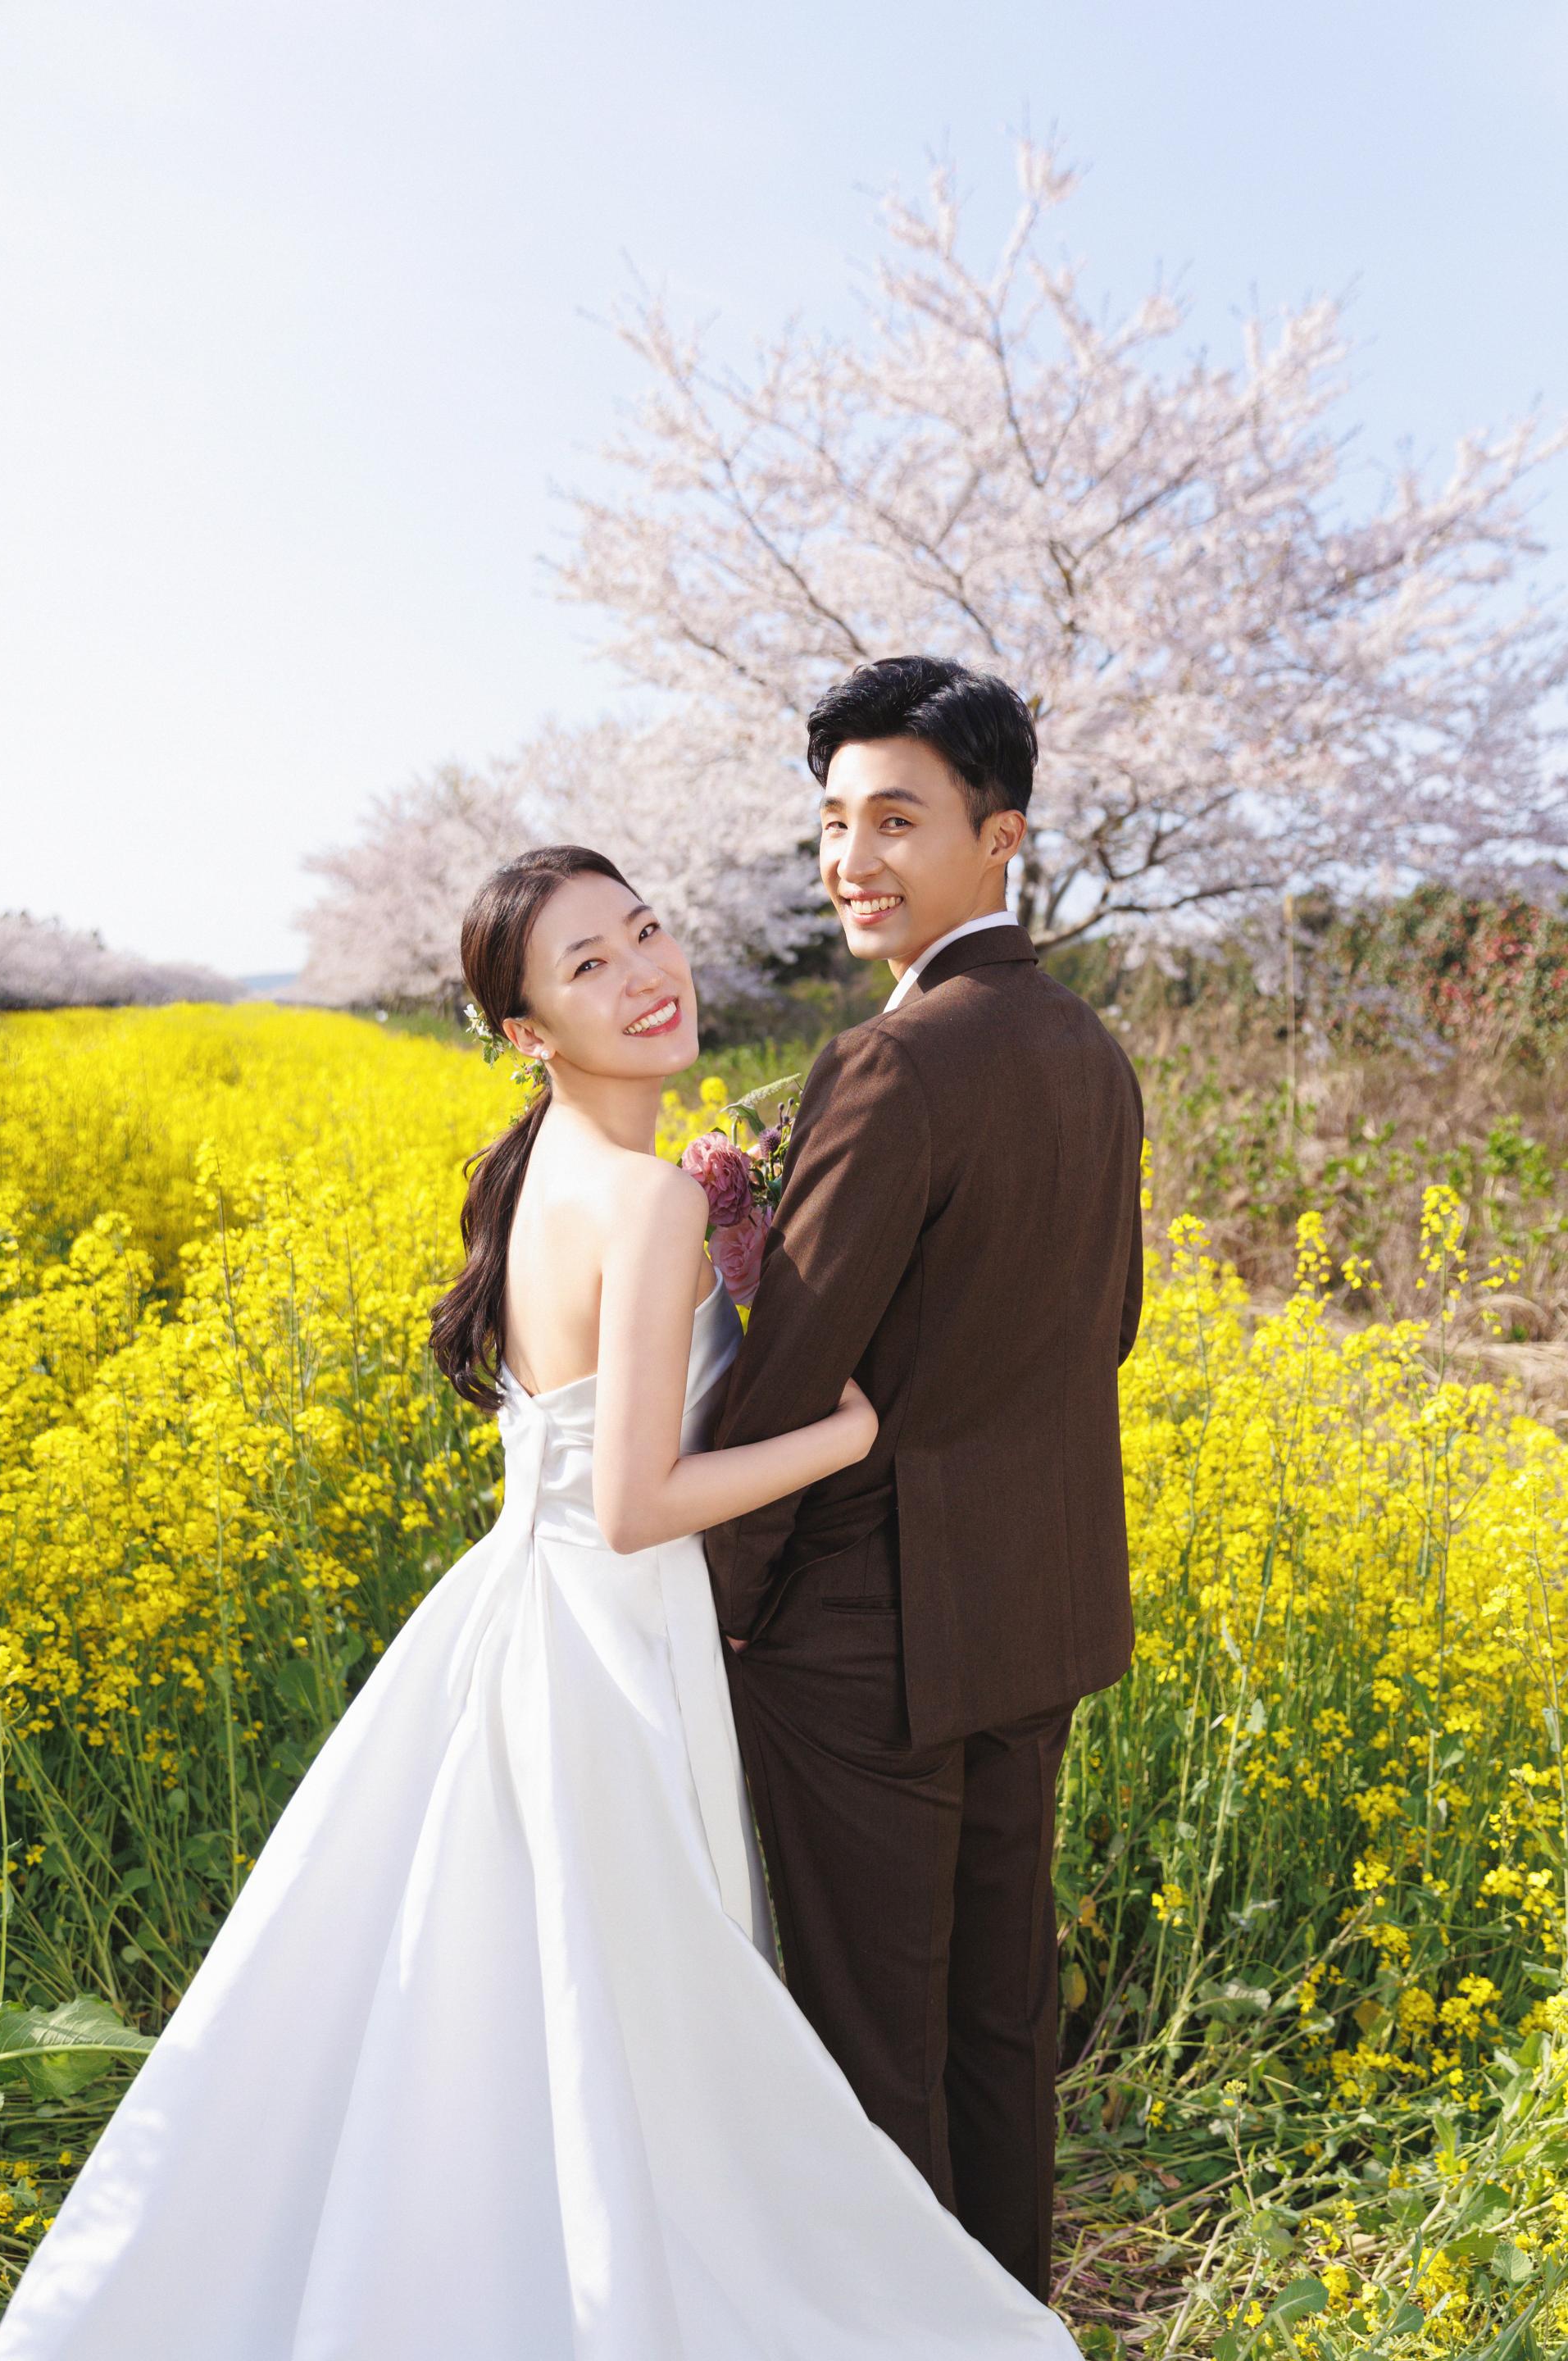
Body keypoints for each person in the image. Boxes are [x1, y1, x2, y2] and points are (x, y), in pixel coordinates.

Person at [0, 844, 1082, 2359]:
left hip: (529, 1615)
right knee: (632, 2012)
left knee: (521, 2001)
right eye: (589, 967)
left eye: (646, 931)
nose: (646, 975)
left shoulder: (551, 1176)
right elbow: (635, 1504)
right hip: (614, 1639)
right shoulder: (642, 1200)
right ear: (525, 1032)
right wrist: (843, 1433)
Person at [707, 656, 1144, 2302]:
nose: (852, 859)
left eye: (897, 820)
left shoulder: (894, 1064)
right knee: (994, 2024)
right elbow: (1107, 1325)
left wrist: (721, 1606)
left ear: (999, 837)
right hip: (1033, 1617)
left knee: (869, 2048)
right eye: (834, 823)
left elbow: (790, 1378)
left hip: (864, 1646)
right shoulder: (1089, 1049)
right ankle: (1007, 2320)